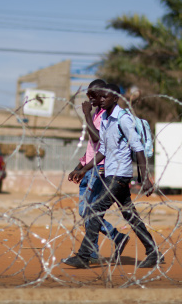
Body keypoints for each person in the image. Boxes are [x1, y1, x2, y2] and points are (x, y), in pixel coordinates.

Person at [62, 83, 163, 269]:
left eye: (104, 97)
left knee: (94, 210)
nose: (100, 100)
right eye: (99, 97)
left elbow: (138, 149)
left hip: (119, 175)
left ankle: (84, 256)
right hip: (111, 173)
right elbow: (103, 151)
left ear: (115, 98)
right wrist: (83, 169)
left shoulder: (123, 119)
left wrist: (145, 179)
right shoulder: (107, 119)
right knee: (129, 214)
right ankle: (154, 252)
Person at [68, 79, 128, 264]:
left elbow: (98, 141)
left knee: (90, 212)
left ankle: (91, 253)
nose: (90, 99)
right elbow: (91, 147)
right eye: (88, 95)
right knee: (85, 211)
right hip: (88, 168)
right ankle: (116, 237)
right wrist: (79, 167)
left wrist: (86, 115)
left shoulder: (105, 115)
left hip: (98, 168)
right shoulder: (96, 113)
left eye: (93, 95)